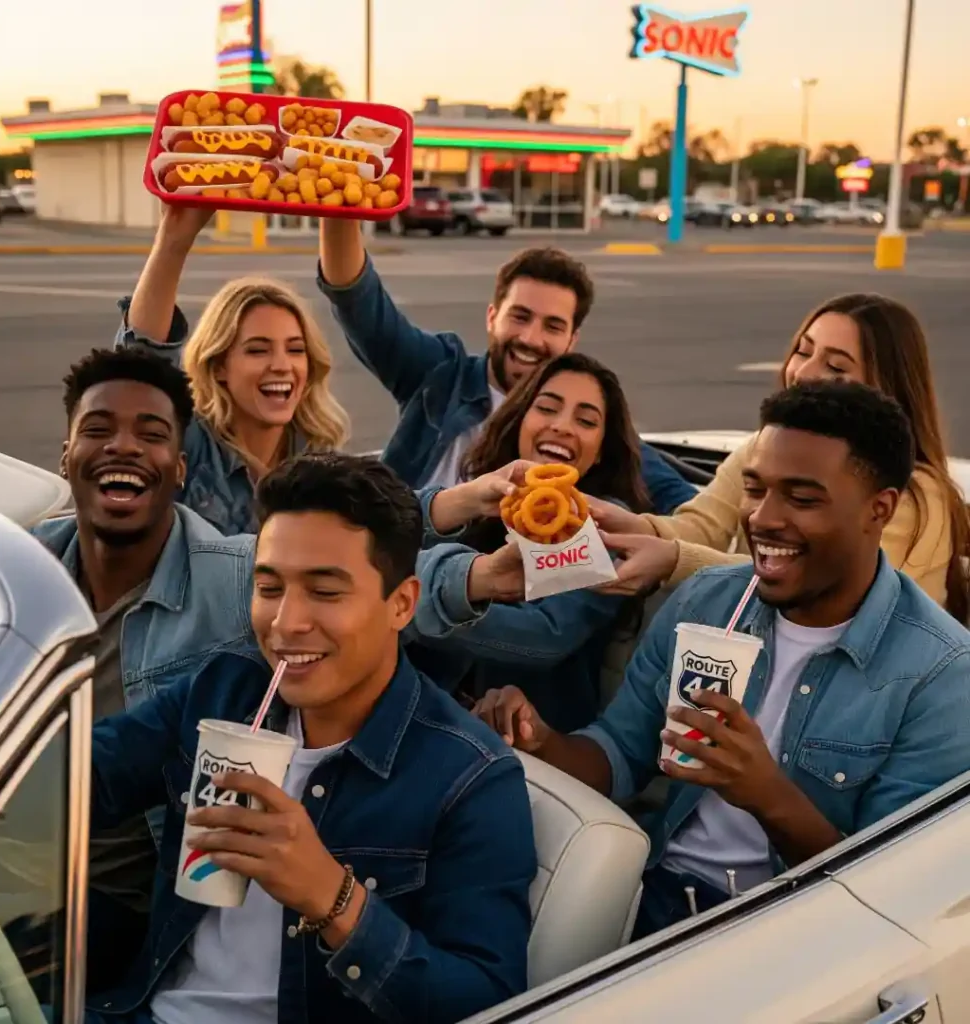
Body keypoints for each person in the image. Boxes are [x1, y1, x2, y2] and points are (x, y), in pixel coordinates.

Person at [473, 380, 970, 937]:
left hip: (795, 933)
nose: (761, 518)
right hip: (655, 896)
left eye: (802, 499)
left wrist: (766, 795)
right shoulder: (708, 599)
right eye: (755, 489)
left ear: (879, 510)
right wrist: (541, 740)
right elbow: (617, 754)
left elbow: (892, 894)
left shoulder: (940, 673)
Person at [86, 452, 537, 1024]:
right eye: (269, 587)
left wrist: (332, 897)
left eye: (325, 592)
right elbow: (88, 776)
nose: (285, 622)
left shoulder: (470, 777)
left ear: (401, 604)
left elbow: (488, 1000)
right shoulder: (225, 689)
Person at [33, 347, 259, 992]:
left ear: (180, 469)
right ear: (67, 457)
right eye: (98, 431)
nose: (124, 447)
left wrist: (473, 580)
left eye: (152, 435)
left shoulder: (237, 573)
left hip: (111, 907)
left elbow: (352, 570)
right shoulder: (26, 569)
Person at [595, 293, 970, 622]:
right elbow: (700, 527)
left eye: (836, 367)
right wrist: (623, 524)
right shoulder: (759, 448)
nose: (804, 372)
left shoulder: (915, 492)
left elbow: (825, 582)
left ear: (886, 386)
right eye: (803, 351)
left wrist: (675, 559)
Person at [316, 218, 696, 513]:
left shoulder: (586, 424)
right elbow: (359, 303)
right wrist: (339, 207)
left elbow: (687, 510)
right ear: (492, 317)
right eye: (520, 316)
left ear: (571, 341)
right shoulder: (442, 376)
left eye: (553, 326)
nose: (531, 338)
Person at [409, 353, 649, 731]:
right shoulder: (480, 497)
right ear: (519, 419)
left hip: (536, 746)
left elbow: (543, 635)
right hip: (430, 721)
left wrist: (417, 607)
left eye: (586, 421)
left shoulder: (599, 520)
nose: (562, 426)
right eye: (547, 408)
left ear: (602, 449)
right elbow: (381, 538)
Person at [114, 205, 350, 535]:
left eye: (295, 350)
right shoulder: (189, 447)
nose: (282, 365)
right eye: (257, 350)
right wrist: (173, 240)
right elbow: (140, 373)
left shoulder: (321, 461)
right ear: (219, 366)